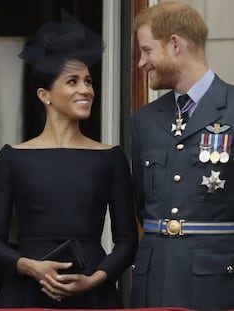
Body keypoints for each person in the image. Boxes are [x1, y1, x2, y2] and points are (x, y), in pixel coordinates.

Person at [0, 9, 138, 309]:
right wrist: (30, 267)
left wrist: (95, 278)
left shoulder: (110, 158)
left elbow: (128, 242)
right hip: (25, 294)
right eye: (72, 81)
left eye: (89, 81)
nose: (86, 90)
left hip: (93, 294)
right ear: (45, 94)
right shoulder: (12, 158)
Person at [131, 2, 234, 310]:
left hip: (216, 285)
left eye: (147, 51)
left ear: (174, 44)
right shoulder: (145, 120)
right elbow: (142, 206)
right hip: (154, 282)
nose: (140, 62)